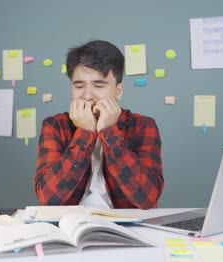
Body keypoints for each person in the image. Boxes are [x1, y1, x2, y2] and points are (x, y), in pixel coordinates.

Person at [34, 40, 164, 209]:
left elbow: (147, 198)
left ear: (118, 90)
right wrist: (85, 133)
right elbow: (49, 198)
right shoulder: (55, 126)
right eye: (79, 85)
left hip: (127, 229)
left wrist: (109, 132)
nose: (87, 96)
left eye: (99, 85)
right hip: (69, 227)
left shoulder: (142, 126)